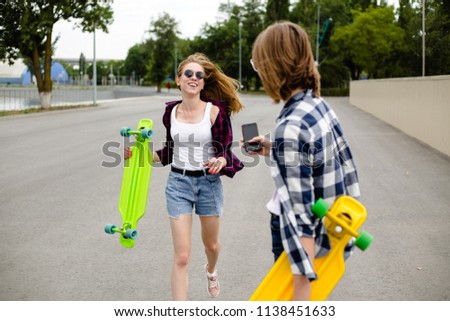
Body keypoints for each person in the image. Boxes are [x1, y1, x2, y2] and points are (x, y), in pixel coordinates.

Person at [246, 21, 360, 300]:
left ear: (273, 68)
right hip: (331, 231)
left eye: (257, 65)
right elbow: (321, 160)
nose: (258, 73)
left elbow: (302, 220)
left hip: (302, 240)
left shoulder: (291, 127)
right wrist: (274, 149)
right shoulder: (316, 104)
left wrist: (301, 297)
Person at [125, 53, 244, 300]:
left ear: (203, 83)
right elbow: (168, 153)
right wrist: (139, 154)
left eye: (199, 75)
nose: (194, 77)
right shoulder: (171, 114)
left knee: (211, 246)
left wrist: (220, 161)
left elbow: (224, 150)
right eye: (188, 74)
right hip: (178, 184)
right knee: (182, 256)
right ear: (178, 81)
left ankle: (211, 271)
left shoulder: (215, 112)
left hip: (209, 184)